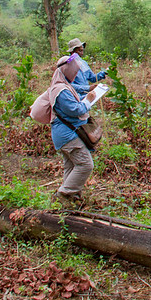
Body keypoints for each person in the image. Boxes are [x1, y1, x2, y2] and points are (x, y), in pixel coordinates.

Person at [48, 53, 99, 207]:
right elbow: (75, 110)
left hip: (64, 134)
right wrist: (88, 102)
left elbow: (77, 92)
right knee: (85, 165)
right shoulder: (61, 91)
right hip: (67, 136)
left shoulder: (63, 86)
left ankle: (71, 198)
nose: (76, 74)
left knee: (71, 165)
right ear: (67, 71)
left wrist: (88, 91)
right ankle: (64, 193)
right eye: (74, 71)